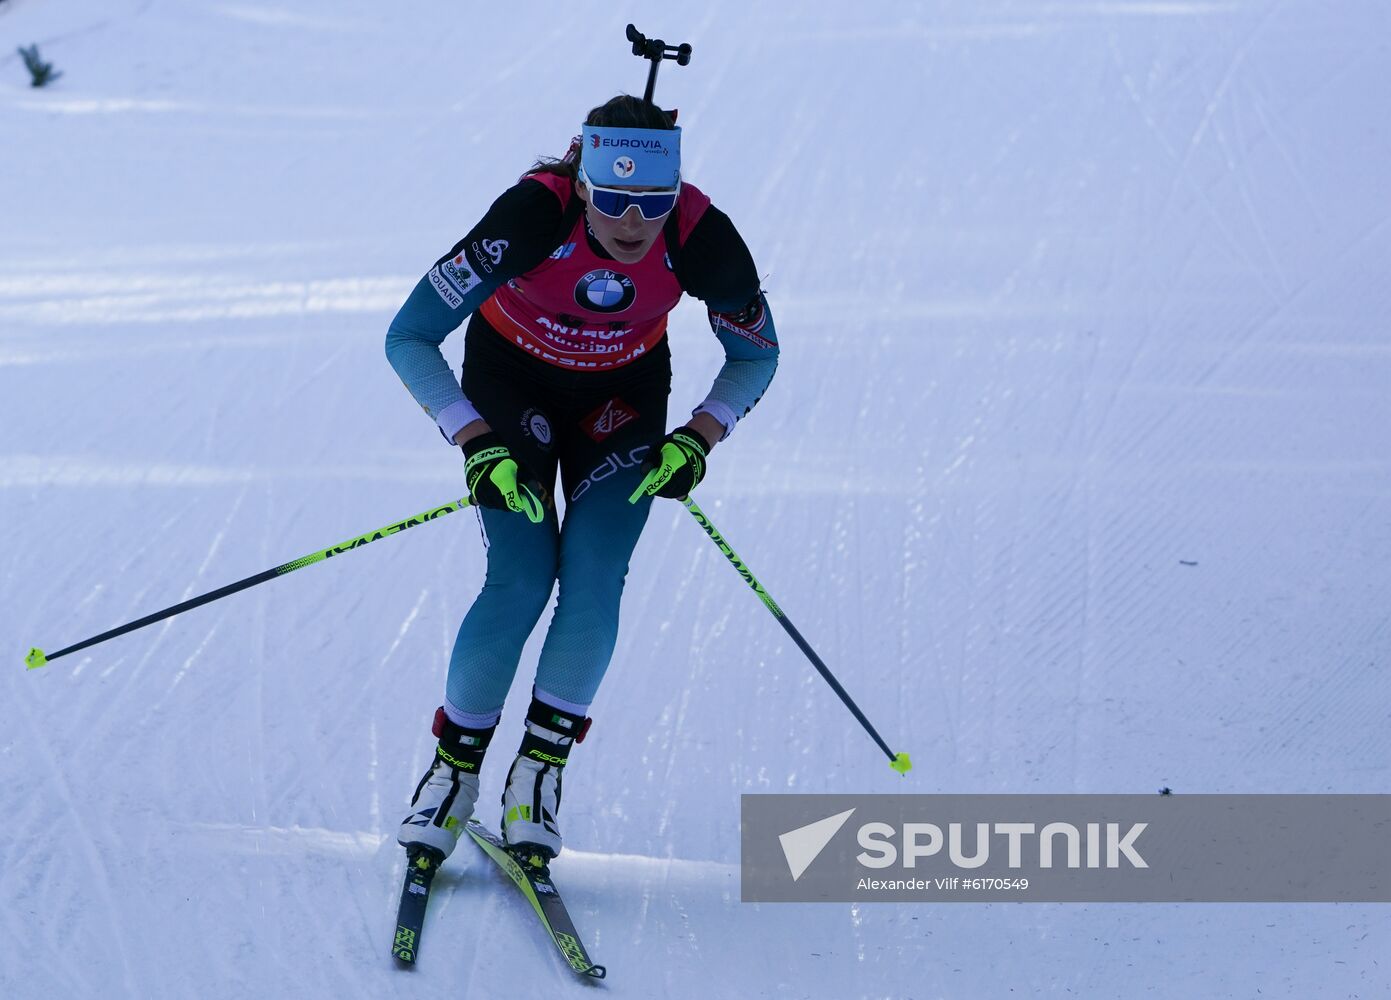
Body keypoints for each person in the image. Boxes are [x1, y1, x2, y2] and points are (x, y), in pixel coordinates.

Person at [386, 95, 778, 864]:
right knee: (522, 578)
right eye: (613, 201)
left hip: (621, 404)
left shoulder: (705, 239)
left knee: (595, 576)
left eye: (653, 204)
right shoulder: (531, 216)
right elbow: (408, 337)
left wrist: (698, 437)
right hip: (509, 392)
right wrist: (472, 441)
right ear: (583, 180)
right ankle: (453, 773)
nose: (633, 225)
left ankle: (538, 775)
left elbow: (756, 354)